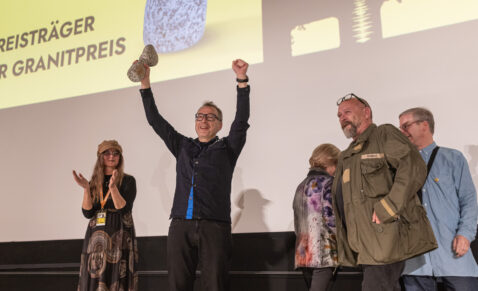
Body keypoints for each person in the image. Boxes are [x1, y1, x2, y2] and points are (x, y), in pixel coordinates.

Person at [138, 59, 250, 291]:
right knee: (178, 285)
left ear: (219, 124)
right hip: (181, 225)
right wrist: (145, 83)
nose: (203, 120)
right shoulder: (182, 146)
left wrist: (242, 81)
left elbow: (241, 121)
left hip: (214, 225)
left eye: (210, 117)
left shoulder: (227, 148)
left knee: (215, 285)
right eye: (199, 116)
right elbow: (155, 121)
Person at [331, 93, 437, 291]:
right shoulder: (347, 155)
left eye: (347, 112)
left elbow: (412, 167)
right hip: (363, 244)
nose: (342, 117)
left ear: (366, 112)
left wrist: (388, 208)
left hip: (385, 238)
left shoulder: (383, 134)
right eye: (338, 115)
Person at [399, 107, 478, 291]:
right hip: (415, 261)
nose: (401, 132)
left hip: (454, 255)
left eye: (406, 126)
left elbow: (469, 200)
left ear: (424, 125)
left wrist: (465, 234)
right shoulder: (401, 164)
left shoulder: (453, 158)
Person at [73, 140, 138, 291]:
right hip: (96, 238)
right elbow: (88, 212)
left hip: (119, 234)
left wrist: (113, 187)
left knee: (117, 277)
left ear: (120, 157)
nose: (111, 156)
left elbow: (124, 209)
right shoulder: (94, 183)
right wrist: (86, 188)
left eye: (116, 153)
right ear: (100, 157)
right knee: (96, 276)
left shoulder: (128, 180)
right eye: (107, 153)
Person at [293, 143, 340, 291]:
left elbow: (297, 222)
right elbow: (332, 221)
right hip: (323, 255)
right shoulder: (328, 183)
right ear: (332, 163)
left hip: (303, 254)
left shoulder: (301, 185)